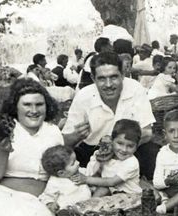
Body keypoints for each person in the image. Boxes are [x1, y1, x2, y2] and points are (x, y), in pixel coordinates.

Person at [0, 78, 63, 216]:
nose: (34, 110)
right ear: (15, 107)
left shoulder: (53, 132)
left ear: (47, 106)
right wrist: (3, 150)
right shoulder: (0, 130)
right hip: (3, 195)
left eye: (39, 104)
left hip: (37, 200)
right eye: (27, 105)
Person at [62, 51, 159, 180]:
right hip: (94, 151)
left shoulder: (135, 88)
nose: (108, 85)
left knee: (154, 153)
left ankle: (155, 188)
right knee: (64, 162)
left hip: (129, 149)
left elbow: (147, 133)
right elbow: (65, 142)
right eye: (102, 78)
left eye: (113, 77)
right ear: (93, 78)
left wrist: (114, 151)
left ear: (123, 75)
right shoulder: (83, 96)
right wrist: (76, 136)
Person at [74, 119, 143, 197]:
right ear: (112, 140)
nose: (124, 149)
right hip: (112, 192)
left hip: (129, 196)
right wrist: (99, 163)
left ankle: (91, 205)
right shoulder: (108, 155)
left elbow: (112, 182)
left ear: (137, 147)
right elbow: (98, 174)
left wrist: (86, 179)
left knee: (104, 188)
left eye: (130, 146)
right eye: (120, 143)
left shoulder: (131, 162)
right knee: (99, 188)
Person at [39, 145, 91, 213]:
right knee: (64, 213)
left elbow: (91, 174)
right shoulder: (55, 182)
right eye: (73, 163)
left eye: (76, 160)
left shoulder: (80, 171)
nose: (78, 163)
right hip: (69, 210)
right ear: (61, 173)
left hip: (86, 207)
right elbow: (46, 196)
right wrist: (50, 204)